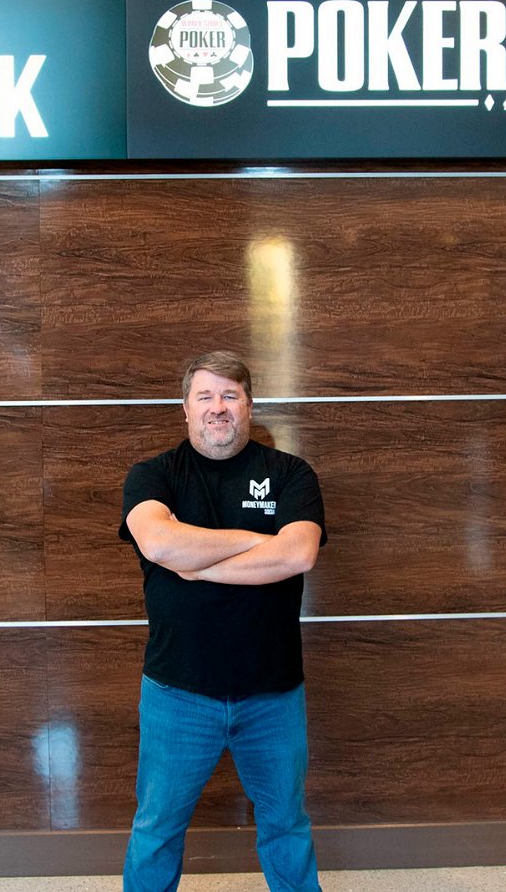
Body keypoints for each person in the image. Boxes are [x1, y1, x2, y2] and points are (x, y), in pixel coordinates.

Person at [119, 350, 327, 892]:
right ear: (186, 408)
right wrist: (259, 543)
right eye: (205, 396)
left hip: (273, 694)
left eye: (230, 395)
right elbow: (158, 542)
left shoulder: (290, 474)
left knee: (286, 825)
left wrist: (196, 563)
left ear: (249, 405)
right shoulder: (153, 475)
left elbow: (298, 553)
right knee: (157, 828)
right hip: (177, 693)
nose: (218, 407)